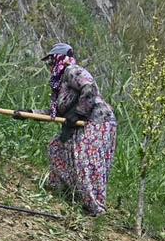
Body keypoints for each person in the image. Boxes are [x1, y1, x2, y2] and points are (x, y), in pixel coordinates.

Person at [42, 42, 117, 217]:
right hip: (79, 123)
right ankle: (64, 191)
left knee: (86, 161)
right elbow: (56, 112)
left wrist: (79, 112)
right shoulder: (59, 85)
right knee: (57, 148)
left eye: (51, 62)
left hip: (97, 121)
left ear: (59, 59)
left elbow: (89, 87)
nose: (49, 66)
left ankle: (96, 208)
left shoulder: (71, 71)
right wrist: (27, 113)